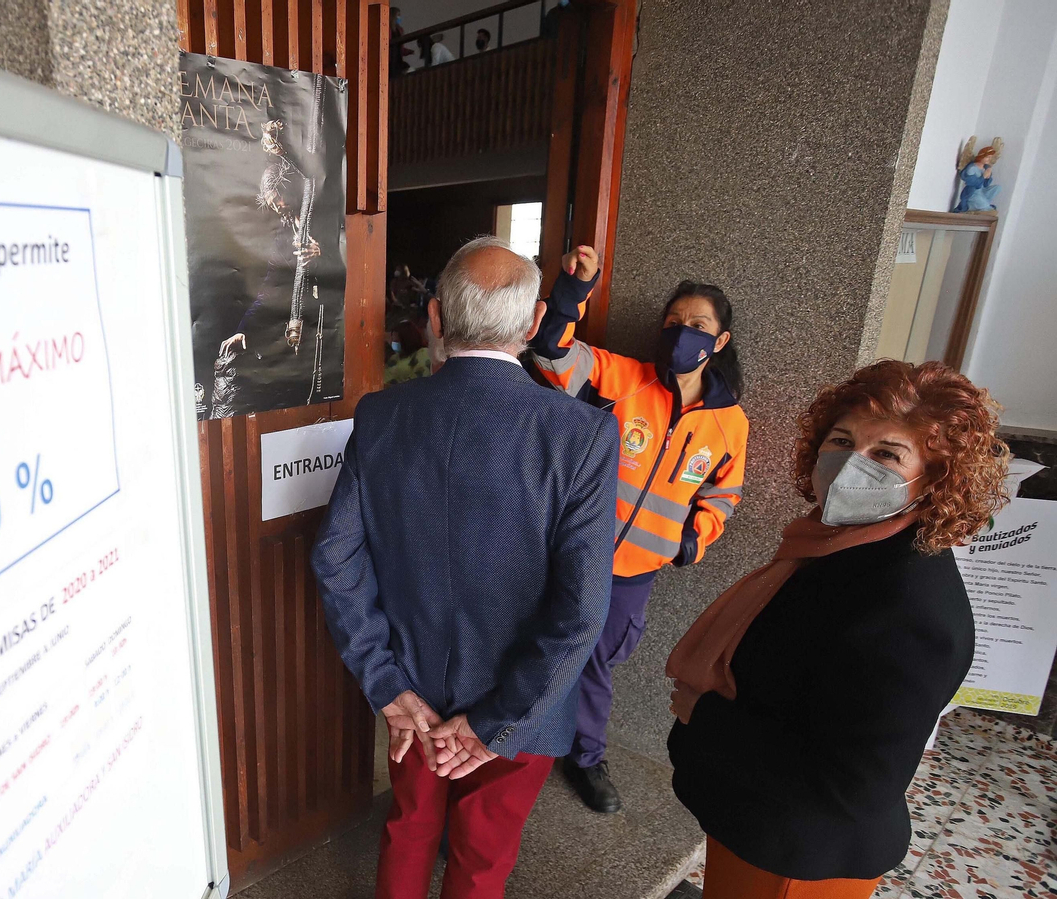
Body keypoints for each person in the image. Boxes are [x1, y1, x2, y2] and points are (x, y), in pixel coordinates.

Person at [313, 236, 619, 899]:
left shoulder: (381, 414)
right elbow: (583, 611)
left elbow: (335, 558)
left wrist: (385, 681)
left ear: (435, 318)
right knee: (483, 858)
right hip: (523, 704)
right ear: (536, 323)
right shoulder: (582, 434)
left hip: (414, 694)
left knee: (410, 826)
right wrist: (496, 724)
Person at [666, 360, 1007, 899]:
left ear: (936, 478)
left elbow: (854, 789)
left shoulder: (911, 609)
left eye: (887, 454)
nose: (852, 465)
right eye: (843, 440)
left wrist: (701, 717)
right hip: (757, 821)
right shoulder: (839, 545)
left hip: (798, 855)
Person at [527, 246, 749, 814]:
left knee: (597, 666)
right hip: (570, 553)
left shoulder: (730, 424)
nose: (683, 334)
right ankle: (517, 743)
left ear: (719, 342)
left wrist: (691, 541)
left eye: (697, 326)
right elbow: (550, 350)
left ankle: (585, 758)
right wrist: (576, 289)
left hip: (633, 576)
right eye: (674, 323)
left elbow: (722, 495)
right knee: (536, 648)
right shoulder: (621, 377)